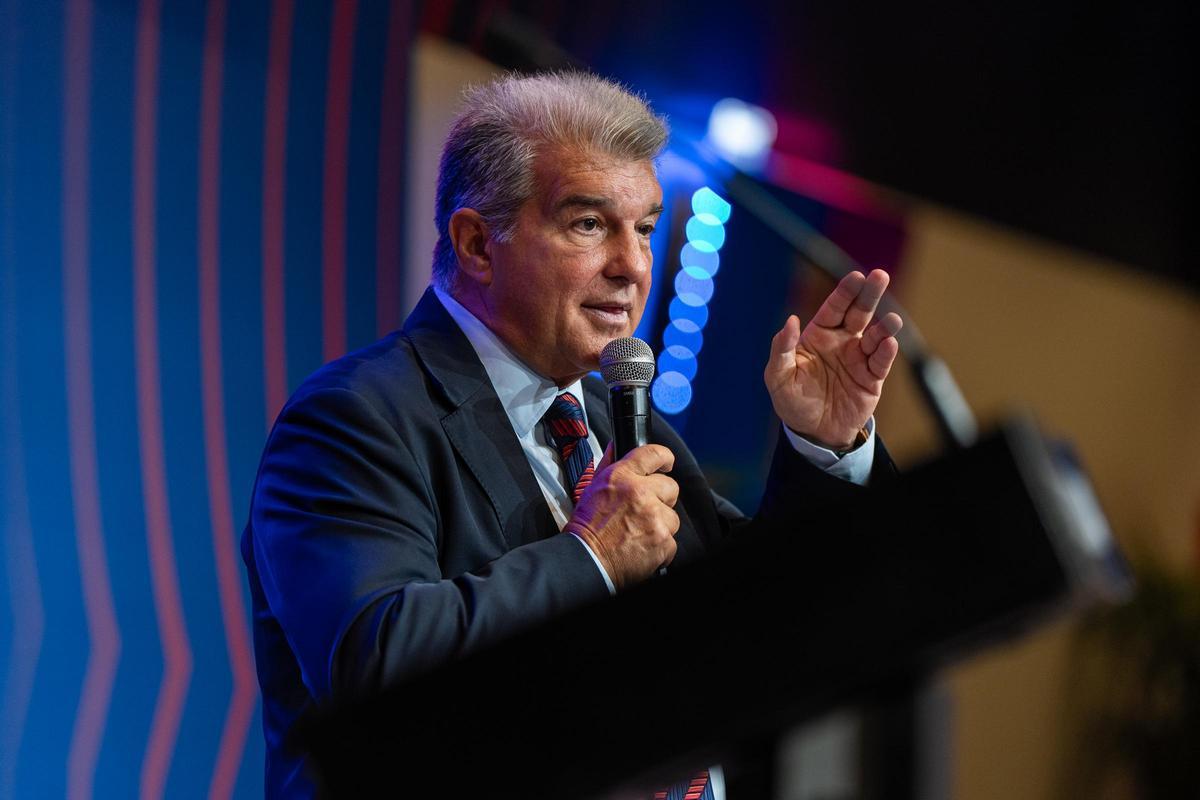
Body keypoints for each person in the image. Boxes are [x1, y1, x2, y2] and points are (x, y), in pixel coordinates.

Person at [242, 72, 904, 798]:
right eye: (589, 224)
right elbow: (373, 665)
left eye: (645, 228)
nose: (633, 265)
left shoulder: (622, 422)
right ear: (476, 245)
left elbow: (773, 618)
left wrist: (827, 449)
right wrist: (589, 558)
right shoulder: (356, 418)